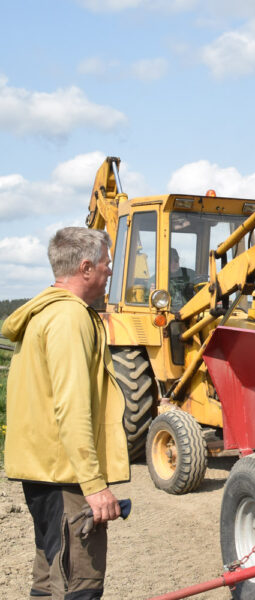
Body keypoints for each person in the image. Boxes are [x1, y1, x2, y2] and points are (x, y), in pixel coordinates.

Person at [3, 226, 129, 599]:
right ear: (86, 268)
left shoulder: (44, 313)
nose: (110, 271)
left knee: (49, 579)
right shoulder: (70, 318)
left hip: (44, 471)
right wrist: (94, 485)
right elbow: (72, 406)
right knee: (78, 585)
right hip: (65, 476)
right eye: (106, 263)